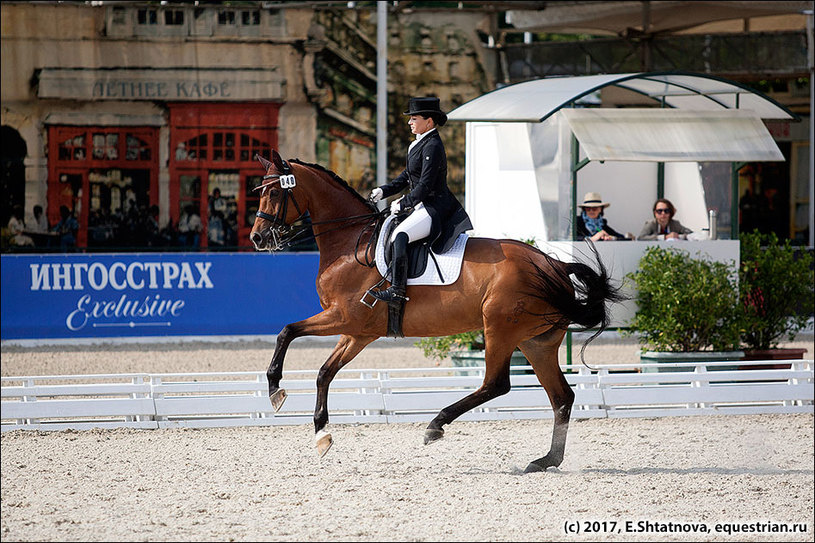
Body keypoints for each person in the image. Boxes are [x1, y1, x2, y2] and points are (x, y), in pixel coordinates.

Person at [367, 96, 473, 306]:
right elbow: (407, 176)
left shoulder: (432, 146)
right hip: (422, 204)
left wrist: (403, 203)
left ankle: (397, 290)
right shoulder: (419, 143)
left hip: (435, 207)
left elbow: (425, 185)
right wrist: (383, 191)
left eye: (414, 118)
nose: (409, 122)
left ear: (429, 122)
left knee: (400, 235)